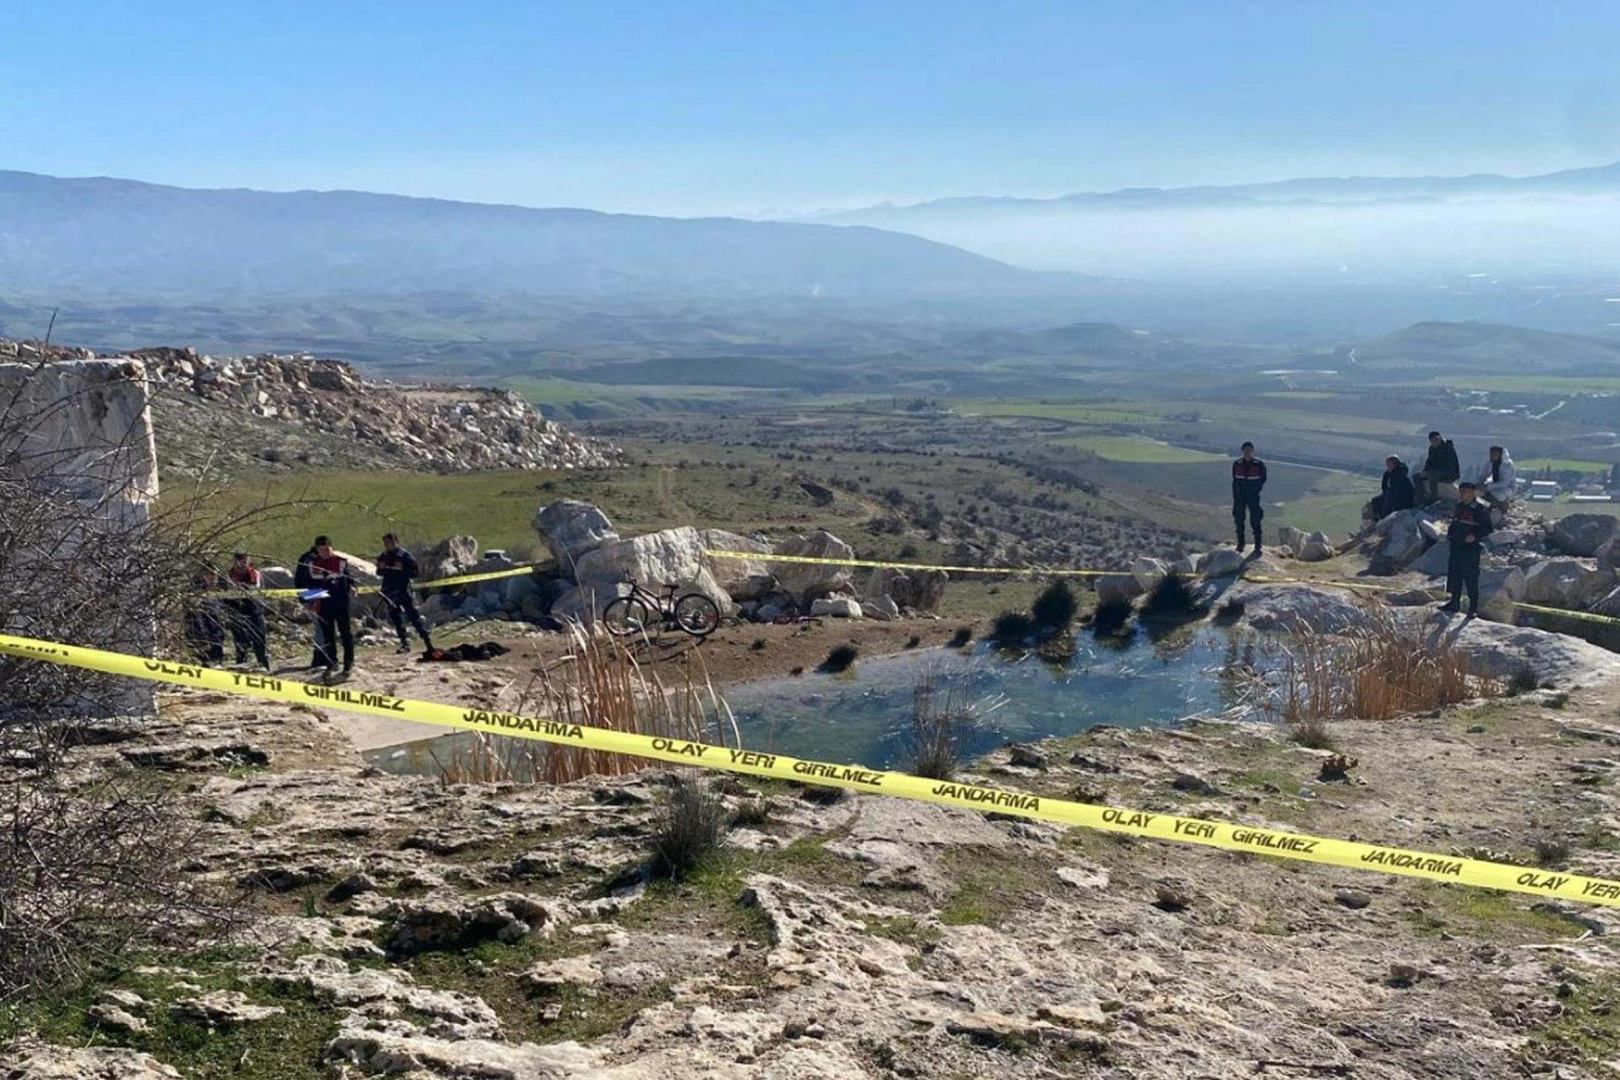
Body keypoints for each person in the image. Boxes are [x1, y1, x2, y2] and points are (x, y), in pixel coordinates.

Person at [1440, 481, 1493, 616]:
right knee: (1454, 575)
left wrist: (1474, 536)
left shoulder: (1480, 508)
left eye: (1466, 492)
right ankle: (1454, 603)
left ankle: (1473, 608)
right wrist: (1450, 535)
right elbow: (1455, 523)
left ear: (1472, 493)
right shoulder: (1459, 506)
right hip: (1456, 545)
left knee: (1470, 577)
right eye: (1461, 491)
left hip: (1471, 548)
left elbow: (1488, 528)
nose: (1463, 494)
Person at [376, 532, 434, 654]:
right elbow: (379, 573)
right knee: (397, 619)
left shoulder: (404, 556)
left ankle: (427, 642)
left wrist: (402, 567)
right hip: (390, 591)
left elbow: (415, 572)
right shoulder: (384, 556)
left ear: (396, 542)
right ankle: (404, 643)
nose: (388, 545)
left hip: (403, 590)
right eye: (386, 543)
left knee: (414, 617)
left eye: (391, 542)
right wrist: (381, 567)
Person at [308, 535, 355, 676]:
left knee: (345, 633)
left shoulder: (340, 562)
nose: (325, 553)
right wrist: (310, 602)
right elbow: (309, 585)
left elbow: (349, 579)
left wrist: (352, 587)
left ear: (331, 548)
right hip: (323, 604)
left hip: (340, 602)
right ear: (317, 550)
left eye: (327, 549)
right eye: (321, 550)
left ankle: (348, 661)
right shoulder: (312, 564)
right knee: (328, 635)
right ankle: (331, 662)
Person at [225, 552, 270, 669]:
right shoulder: (228, 576)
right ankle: (241, 665)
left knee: (259, 639)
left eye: (243, 563)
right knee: (240, 641)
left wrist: (242, 587)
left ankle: (263, 664)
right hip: (236, 611)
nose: (240, 566)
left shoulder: (255, 574)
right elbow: (224, 594)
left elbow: (256, 588)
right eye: (237, 563)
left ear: (248, 562)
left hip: (254, 610)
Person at [294, 538, 329, 669]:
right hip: (314, 594)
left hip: (313, 594)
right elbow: (305, 579)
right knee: (321, 626)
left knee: (322, 626)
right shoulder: (311, 559)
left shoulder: (305, 557)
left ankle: (323, 655)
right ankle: (320, 657)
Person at [1231, 441, 1267, 555]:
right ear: (1242, 452)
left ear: (1253, 451)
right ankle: (1241, 544)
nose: (1248, 453)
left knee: (1255, 520)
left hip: (1253, 497)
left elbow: (1263, 479)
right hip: (1239, 497)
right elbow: (1235, 479)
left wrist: (1255, 490)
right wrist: (1237, 495)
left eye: (1250, 451)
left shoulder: (1259, 464)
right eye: (1246, 451)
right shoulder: (1237, 464)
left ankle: (1258, 545)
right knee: (1239, 520)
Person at [184, 569, 225, 664]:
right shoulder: (197, 589)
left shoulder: (221, 587)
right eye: (209, 574)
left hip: (216, 626)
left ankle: (217, 660)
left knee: (217, 640)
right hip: (202, 627)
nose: (212, 578)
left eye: (214, 575)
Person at [1414, 430, 1461, 505]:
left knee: (1433, 474)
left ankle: (1434, 498)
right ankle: (1421, 498)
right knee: (1416, 476)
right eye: (1433, 440)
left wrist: (1432, 471)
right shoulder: (1432, 449)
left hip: (1450, 473)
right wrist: (1425, 471)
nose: (1435, 441)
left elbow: (1449, 464)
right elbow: (1429, 462)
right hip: (1437, 471)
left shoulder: (1448, 448)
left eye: (1437, 439)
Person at [1476, 445, 1517, 511]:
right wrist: (1479, 484)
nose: (1492, 456)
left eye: (1495, 454)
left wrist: (1488, 487)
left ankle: (1502, 505)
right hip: (1494, 485)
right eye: (1491, 454)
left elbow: (1504, 483)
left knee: (1498, 495)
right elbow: (1483, 475)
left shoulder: (1507, 465)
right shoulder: (1489, 462)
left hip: (1507, 487)